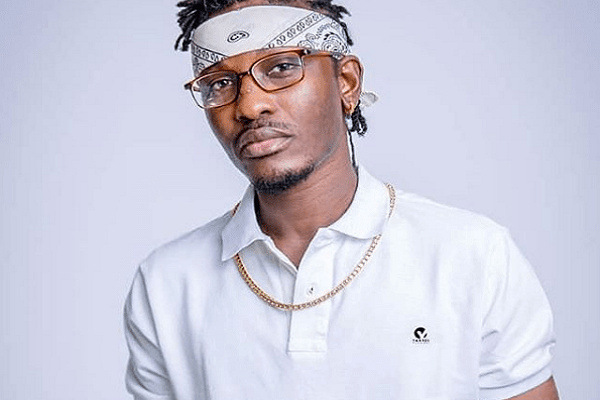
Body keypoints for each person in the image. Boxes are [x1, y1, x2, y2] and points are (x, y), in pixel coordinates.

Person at [123, 0, 559, 399]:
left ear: (346, 83)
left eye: (281, 68)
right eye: (219, 83)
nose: (250, 106)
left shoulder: (472, 254)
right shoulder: (166, 284)